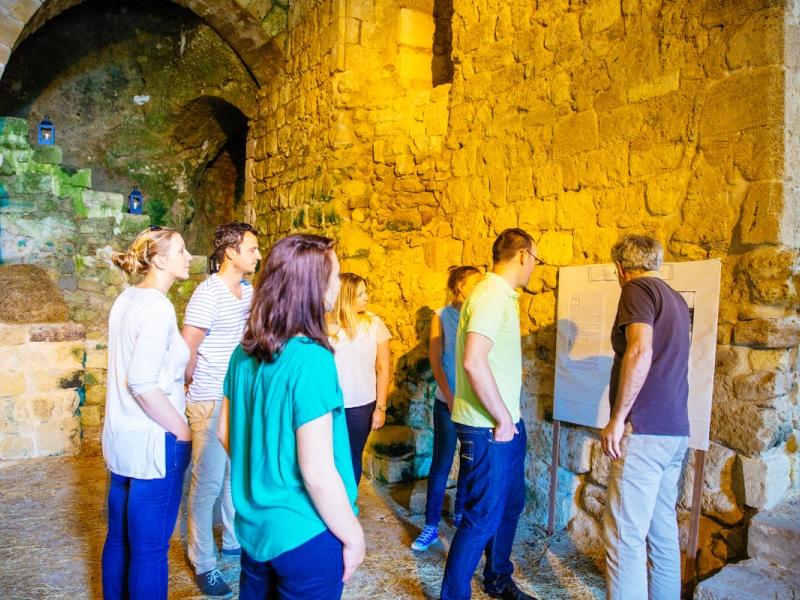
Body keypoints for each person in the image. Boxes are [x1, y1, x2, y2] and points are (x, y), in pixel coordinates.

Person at [217, 234, 365, 599]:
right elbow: (316, 472)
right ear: (312, 285)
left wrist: (266, 475)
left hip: (255, 528)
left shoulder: (244, 353)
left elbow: (225, 432)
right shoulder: (311, 359)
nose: (337, 282)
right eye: (334, 274)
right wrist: (353, 535)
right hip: (306, 531)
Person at [440, 228, 540, 600]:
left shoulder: (500, 295)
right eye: (536, 260)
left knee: (509, 506)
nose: (534, 268)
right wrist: (501, 419)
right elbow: (472, 361)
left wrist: (509, 418)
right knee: (482, 516)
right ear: (523, 256)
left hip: (504, 424)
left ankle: (498, 579)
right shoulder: (490, 295)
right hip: (487, 428)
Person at [101, 226, 194, 600]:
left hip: (123, 440)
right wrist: (182, 430)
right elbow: (141, 381)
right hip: (154, 442)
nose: (188, 257)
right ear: (158, 260)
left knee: (120, 539)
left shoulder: (126, 299)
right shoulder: (157, 307)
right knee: (151, 550)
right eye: (182, 250)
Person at [600, 235, 690, 600]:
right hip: (674, 432)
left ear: (620, 268)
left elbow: (639, 350)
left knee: (624, 537)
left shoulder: (637, 290)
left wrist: (618, 418)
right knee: (663, 532)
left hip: (645, 431)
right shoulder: (677, 300)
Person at [182, 222, 261, 597]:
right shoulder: (207, 294)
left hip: (236, 397)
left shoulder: (247, 290)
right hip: (210, 397)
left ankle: (233, 541)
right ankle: (204, 563)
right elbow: (188, 349)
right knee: (208, 483)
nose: (257, 255)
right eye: (251, 249)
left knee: (234, 477)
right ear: (231, 252)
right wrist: (188, 392)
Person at [411, 265, 482, 552]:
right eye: (473, 284)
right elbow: (436, 359)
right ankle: (430, 526)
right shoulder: (441, 316)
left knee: (469, 461)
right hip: (447, 401)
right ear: (458, 288)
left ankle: (460, 512)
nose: (479, 288)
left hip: (474, 404)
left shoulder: (480, 315)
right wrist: (450, 396)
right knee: (441, 464)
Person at [327, 273, 391, 485]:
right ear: (346, 296)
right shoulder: (325, 326)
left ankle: (348, 507)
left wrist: (380, 408)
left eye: (366, 292)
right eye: (360, 294)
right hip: (328, 403)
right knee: (327, 459)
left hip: (361, 404)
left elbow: (383, 368)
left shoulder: (374, 324)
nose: (367, 297)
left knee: (352, 457)